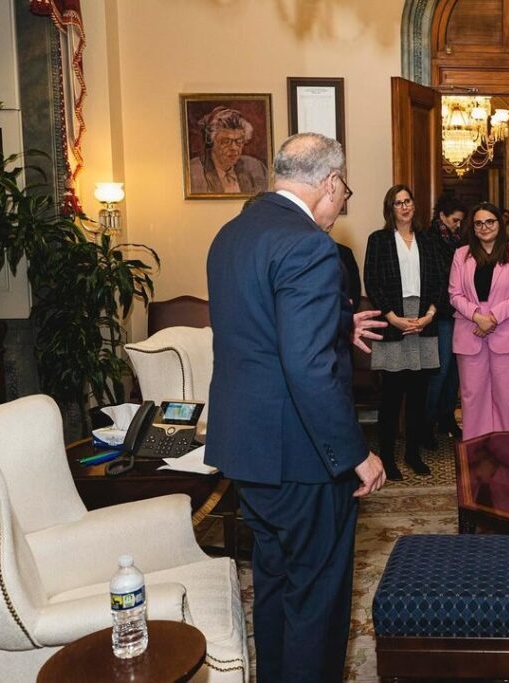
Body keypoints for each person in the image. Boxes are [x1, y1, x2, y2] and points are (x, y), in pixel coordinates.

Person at [205, 132, 385, 683]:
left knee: (276, 584)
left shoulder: (232, 234)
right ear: (329, 182)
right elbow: (307, 369)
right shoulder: (309, 245)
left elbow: (260, 327)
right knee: (316, 602)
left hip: (248, 451)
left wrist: (336, 322)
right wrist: (357, 454)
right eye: (344, 192)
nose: (343, 206)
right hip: (301, 459)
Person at [364, 185, 447, 481]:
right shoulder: (379, 240)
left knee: (418, 395)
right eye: (398, 203)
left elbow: (440, 279)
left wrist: (429, 315)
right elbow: (372, 282)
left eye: (408, 201)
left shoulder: (428, 240)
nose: (404, 207)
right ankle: (387, 456)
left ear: (414, 205)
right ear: (391, 208)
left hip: (424, 319)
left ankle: (413, 454)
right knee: (391, 396)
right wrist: (392, 317)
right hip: (393, 321)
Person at [448, 202, 509, 440]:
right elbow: (454, 294)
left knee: (508, 397)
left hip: (506, 330)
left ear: (500, 223)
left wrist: (492, 319)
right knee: (472, 397)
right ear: (472, 228)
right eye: (478, 223)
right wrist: (477, 317)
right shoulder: (460, 254)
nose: (484, 227)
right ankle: (477, 453)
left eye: (490, 222)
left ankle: (507, 453)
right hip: (470, 330)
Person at [424, 195, 467, 443]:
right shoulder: (428, 239)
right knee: (438, 372)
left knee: (454, 372)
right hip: (439, 313)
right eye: (454, 220)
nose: (457, 225)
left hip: (457, 313)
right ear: (441, 215)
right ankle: (427, 423)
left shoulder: (458, 242)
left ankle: (447, 418)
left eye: (460, 221)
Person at [189, 106, 269, 195]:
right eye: (226, 142)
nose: (234, 148)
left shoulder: (257, 168)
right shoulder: (193, 172)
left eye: (239, 141)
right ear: (212, 142)